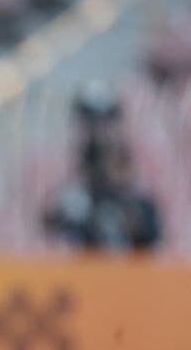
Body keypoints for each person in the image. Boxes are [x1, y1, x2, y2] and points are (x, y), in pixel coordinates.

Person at [43, 86, 162, 250]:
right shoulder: (71, 200)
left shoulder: (138, 202)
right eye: (90, 122)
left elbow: (152, 241)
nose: (98, 131)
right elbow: (51, 229)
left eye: (106, 121)